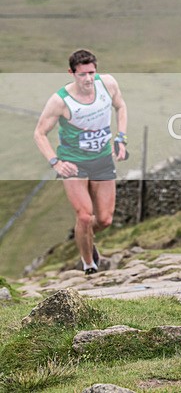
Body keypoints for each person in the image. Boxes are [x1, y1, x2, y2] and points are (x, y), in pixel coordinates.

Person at [33, 50, 128, 276]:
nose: (87, 79)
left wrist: (120, 138)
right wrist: (55, 162)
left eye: (91, 73)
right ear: (72, 73)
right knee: (84, 216)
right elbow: (39, 133)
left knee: (104, 219)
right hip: (73, 163)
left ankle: (84, 235)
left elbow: (121, 107)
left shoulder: (108, 84)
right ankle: (89, 265)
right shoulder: (60, 101)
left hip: (103, 159)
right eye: (82, 74)